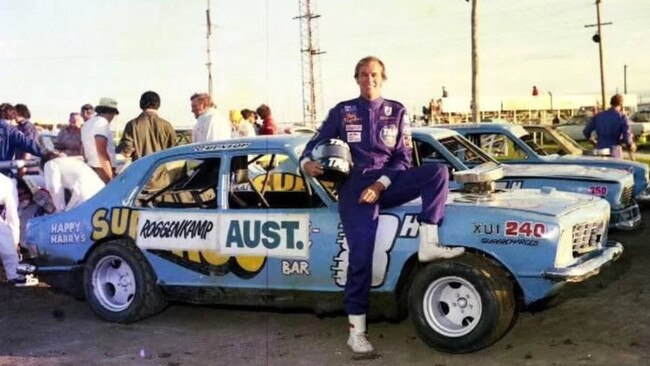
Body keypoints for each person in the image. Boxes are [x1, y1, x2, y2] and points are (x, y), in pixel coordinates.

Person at [300, 56, 464, 354]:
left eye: (374, 74)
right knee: (361, 258)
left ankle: (429, 242)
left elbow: (403, 157)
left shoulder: (397, 111)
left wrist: (381, 184)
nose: (369, 79)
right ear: (357, 79)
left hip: (387, 183)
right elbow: (314, 143)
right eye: (363, 75)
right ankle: (356, 332)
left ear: (383, 77)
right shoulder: (343, 110)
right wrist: (306, 161)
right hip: (354, 188)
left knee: (437, 172)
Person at [118, 91, 177, 161]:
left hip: (141, 169)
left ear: (141, 103)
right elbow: (174, 151)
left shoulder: (132, 125)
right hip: (161, 170)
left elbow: (127, 151)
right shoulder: (167, 126)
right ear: (158, 104)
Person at [40, 152, 105, 212]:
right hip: (101, 192)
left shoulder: (49, 164)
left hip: (85, 194)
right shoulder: (71, 161)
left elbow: (54, 187)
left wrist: (60, 211)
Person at [583, 93, 636, 160]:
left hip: (600, 151)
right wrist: (632, 145)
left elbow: (586, 132)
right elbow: (627, 138)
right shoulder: (622, 117)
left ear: (611, 103)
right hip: (614, 152)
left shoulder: (598, 116)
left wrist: (593, 142)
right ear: (621, 104)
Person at [81, 97, 119, 183]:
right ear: (111, 112)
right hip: (102, 170)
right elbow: (101, 151)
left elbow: (82, 149)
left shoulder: (87, 124)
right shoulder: (102, 123)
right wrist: (111, 176)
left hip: (91, 167)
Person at [0, 103, 42, 176]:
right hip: (4, 171)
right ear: (12, 116)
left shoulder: (27, 127)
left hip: (20, 167)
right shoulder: (11, 130)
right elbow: (29, 144)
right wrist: (47, 153)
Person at [0, 173, 28, 285]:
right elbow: (13, 218)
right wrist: (15, 242)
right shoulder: (10, 184)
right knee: (5, 237)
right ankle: (14, 275)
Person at [14, 104, 39, 176]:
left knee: (30, 186)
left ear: (19, 113)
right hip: (22, 164)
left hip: (29, 166)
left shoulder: (28, 127)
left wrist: (24, 166)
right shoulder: (20, 127)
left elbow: (28, 148)